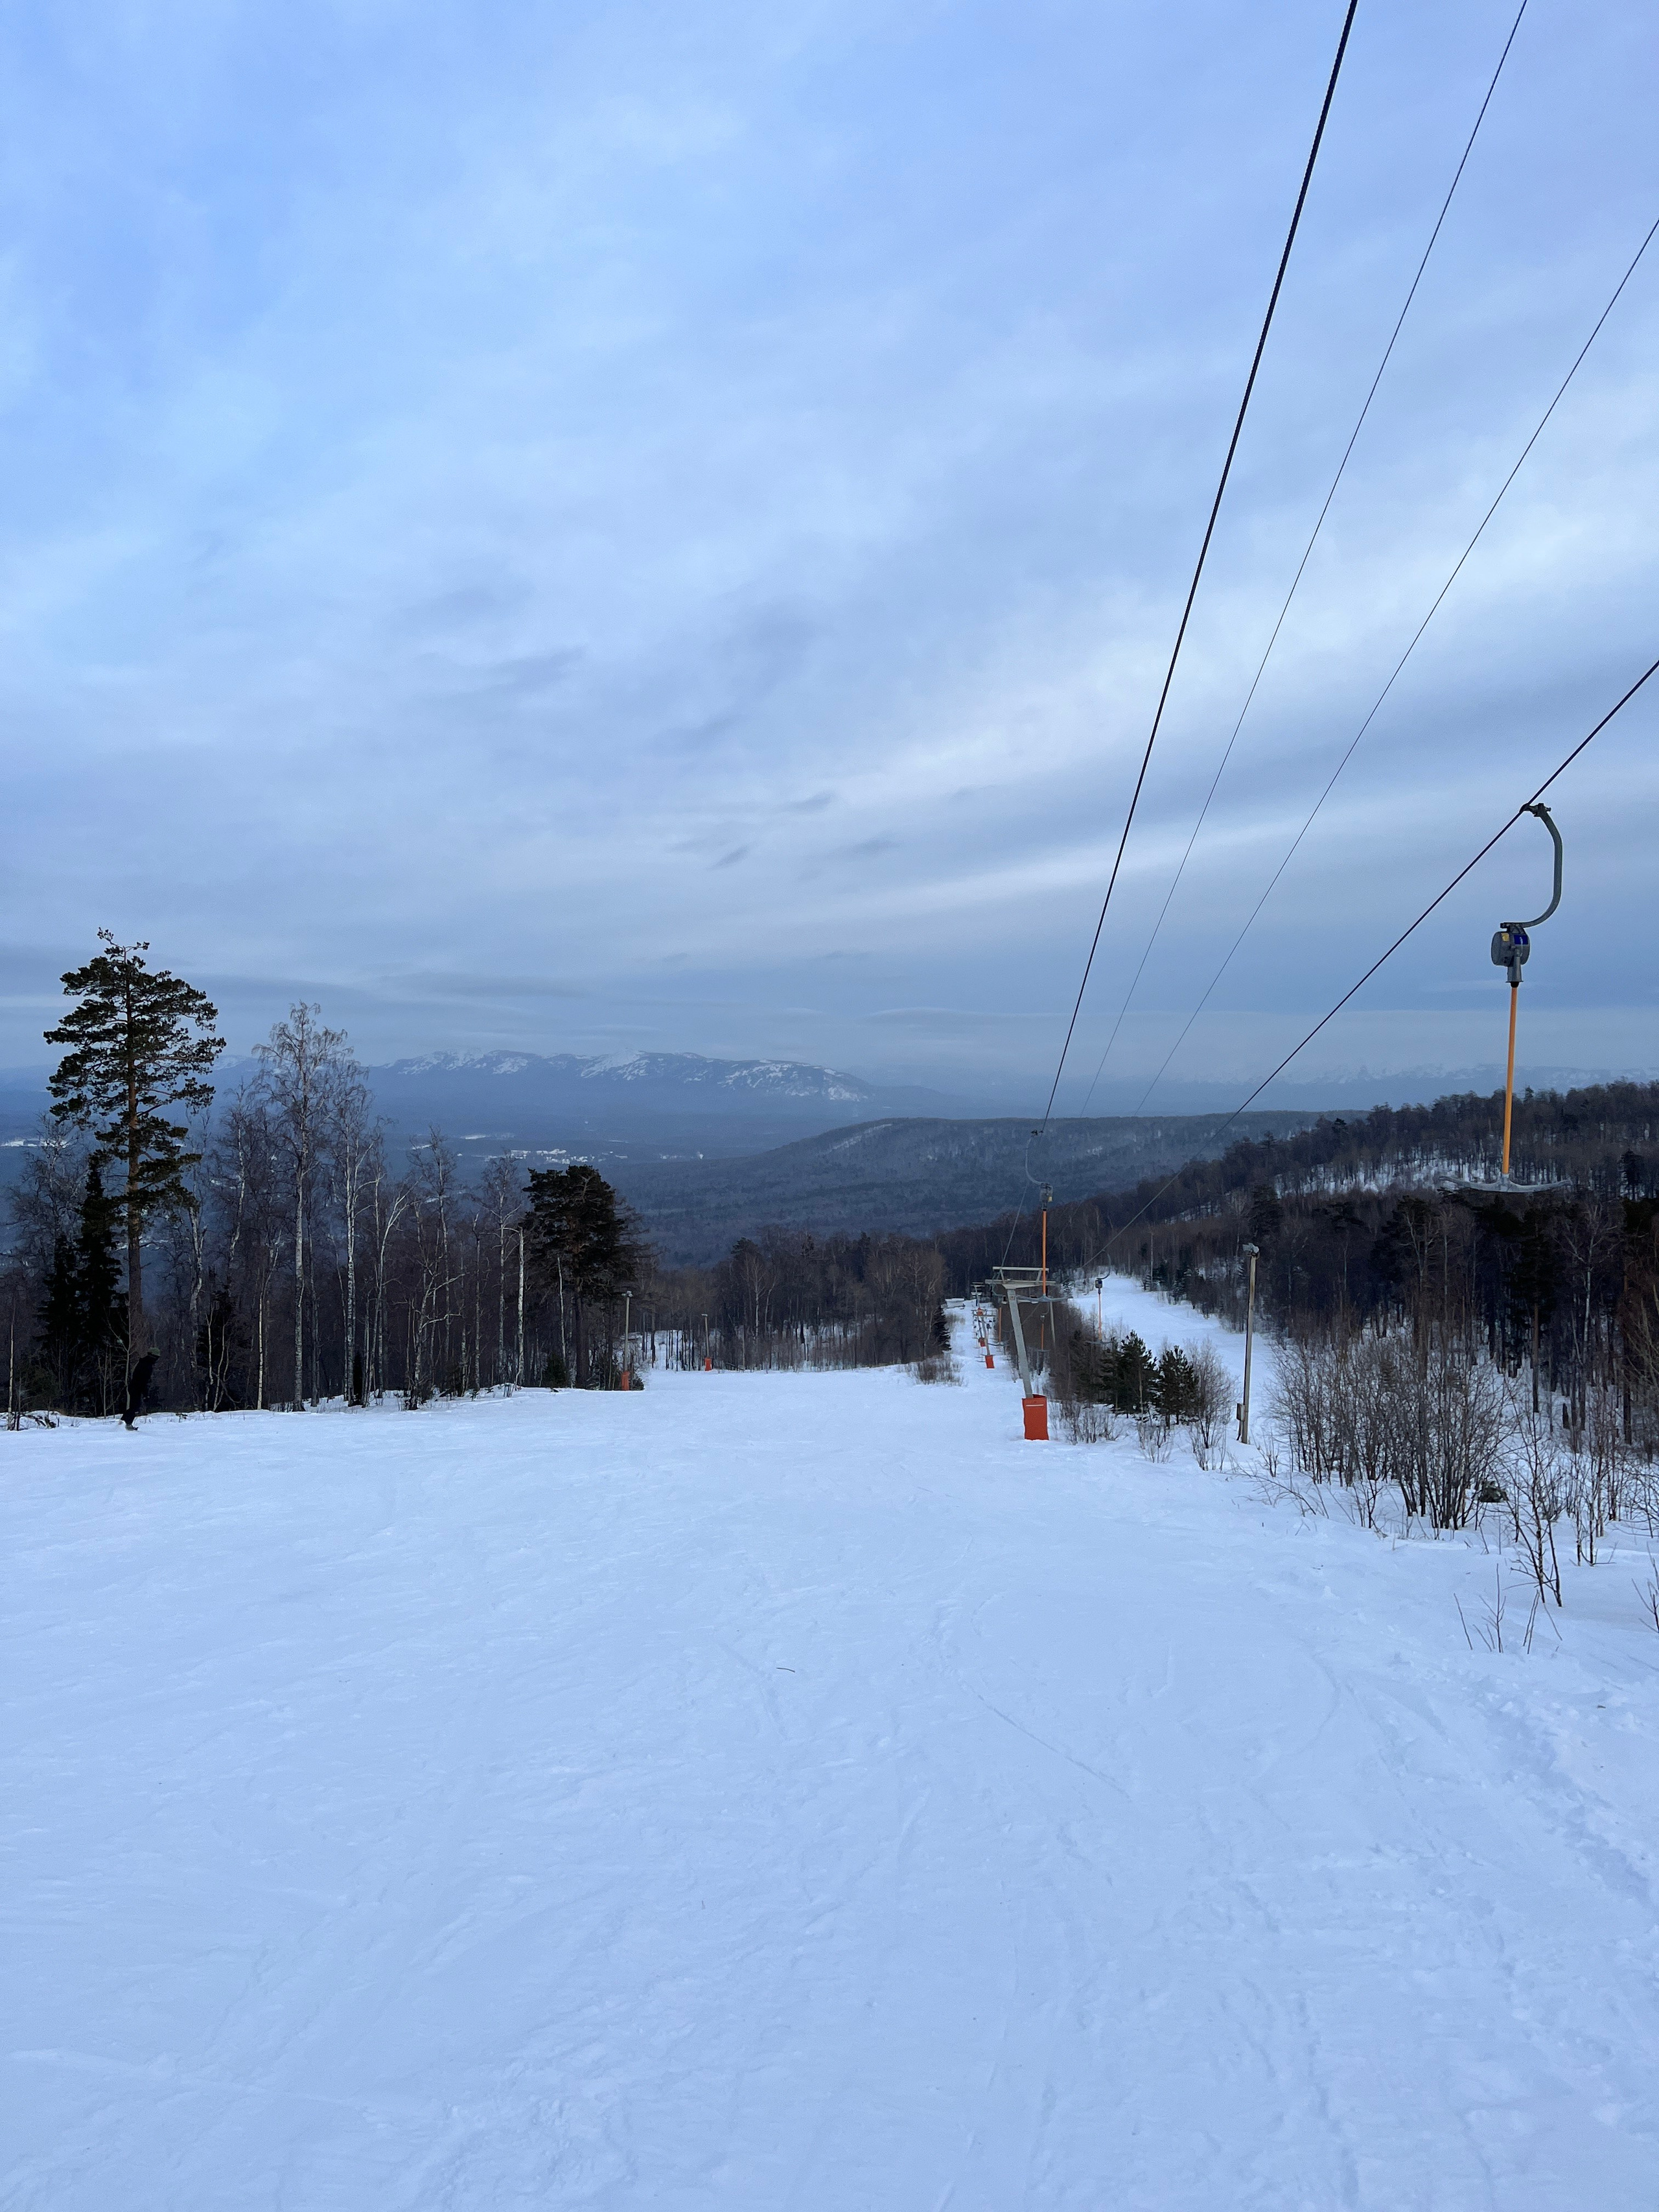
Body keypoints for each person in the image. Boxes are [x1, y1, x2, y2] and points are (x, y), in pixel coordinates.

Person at [121, 1349, 159, 1430]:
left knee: (134, 1407)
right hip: (136, 1388)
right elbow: (143, 1381)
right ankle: (126, 1424)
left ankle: (124, 1423)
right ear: (153, 1357)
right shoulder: (146, 1365)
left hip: (135, 1387)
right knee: (135, 1407)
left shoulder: (144, 1363)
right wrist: (146, 1394)